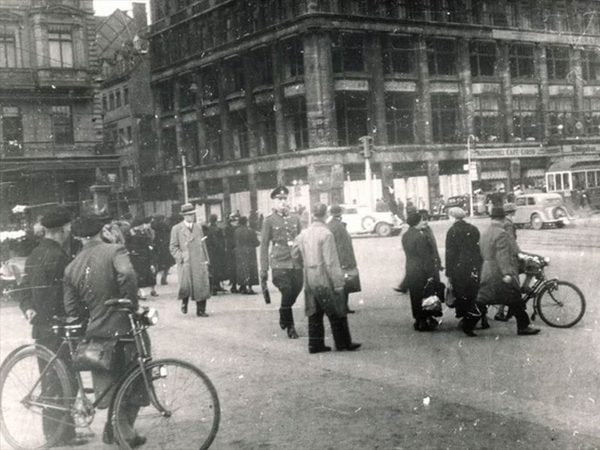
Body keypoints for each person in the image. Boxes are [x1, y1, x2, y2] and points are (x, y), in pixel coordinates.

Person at [63, 214, 148, 447]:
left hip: (97, 333)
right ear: (102, 230)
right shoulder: (115, 251)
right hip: (123, 326)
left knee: (109, 383)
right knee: (137, 375)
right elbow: (128, 275)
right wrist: (131, 304)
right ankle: (125, 430)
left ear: (78, 237)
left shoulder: (72, 266)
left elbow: (72, 308)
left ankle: (118, 430)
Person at [18, 207, 85, 446]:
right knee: (66, 380)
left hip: (42, 329)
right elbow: (66, 296)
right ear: (63, 230)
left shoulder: (34, 254)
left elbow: (23, 287)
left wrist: (28, 307)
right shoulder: (60, 258)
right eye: (68, 228)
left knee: (52, 380)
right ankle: (60, 435)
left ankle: (58, 432)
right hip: (59, 327)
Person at [293, 203, 361, 354]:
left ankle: (315, 345)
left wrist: (305, 264)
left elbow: (295, 254)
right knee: (337, 309)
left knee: (314, 311)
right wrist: (338, 282)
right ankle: (343, 342)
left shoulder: (304, 234)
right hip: (324, 277)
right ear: (325, 215)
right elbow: (331, 261)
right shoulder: (326, 234)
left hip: (309, 276)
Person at [475, 207, 540, 336]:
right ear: (503, 218)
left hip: (487, 269)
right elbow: (502, 255)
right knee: (514, 297)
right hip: (498, 271)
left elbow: (482, 252)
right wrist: (506, 273)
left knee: (484, 299)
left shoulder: (485, 232)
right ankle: (523, 327)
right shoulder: (501, 233)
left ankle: (468, 323)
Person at [260, 186, 303, 339]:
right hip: (279, 262)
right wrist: (263, 269)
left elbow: (301, 240)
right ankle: (291, 327)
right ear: (274, 201)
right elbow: (264, 245)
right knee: (287, 290)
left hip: (296, 262)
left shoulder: (295, 218)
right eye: (280, 199)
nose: (283, 202)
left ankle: (283, 311)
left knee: (298, 287)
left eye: (285, 199)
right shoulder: (269, 221)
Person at [401, 212, 443, 331]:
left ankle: (418, 319)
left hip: (410, 268)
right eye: (421, 221)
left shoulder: (406, 235)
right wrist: (430, 274)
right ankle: (424, 320)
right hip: (421, 270)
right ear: (416, 223)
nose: (423, 223)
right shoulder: (420, 237)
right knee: (426, 295)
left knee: (415, 295)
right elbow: (425, 257)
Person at [445, 207, 483, 337]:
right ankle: (476, 317)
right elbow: (478, 248)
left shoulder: (452, 231)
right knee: (473, 292)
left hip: (458, 267)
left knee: (461, 293)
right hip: (473, 265)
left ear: (452, 217)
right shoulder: (473, 229)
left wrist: (448, 273)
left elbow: (449, 253)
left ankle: (465, 318)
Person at [169, 204, 211, 317]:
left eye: (192, 214)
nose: (191, 217)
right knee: (185, 285)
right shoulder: (176, 229)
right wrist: (181, 256)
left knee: (201, 285)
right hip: (185, 262)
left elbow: (203, 244)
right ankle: (184, 302)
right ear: (183, 216)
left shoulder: (198, 227)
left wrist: (206, 259)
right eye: (188, 215)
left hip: (199, 260)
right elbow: (173, 247)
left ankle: (201, 310)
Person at [327, 205, 360, 314]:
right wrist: (345, 262)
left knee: (344, 284)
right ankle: (342, 307)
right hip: (343, 260)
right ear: (340, 213)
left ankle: (344, 306)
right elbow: (341, 246)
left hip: (341, 259)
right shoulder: (337, 226)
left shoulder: (333, 224)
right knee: (343, 284)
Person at [126, 217, 157, 299]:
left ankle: (141, 292)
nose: (141, 226)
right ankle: (141, 292)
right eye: (139, 225)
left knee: (145, 273)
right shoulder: (131, 234)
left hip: (145, 255)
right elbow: (127, 244)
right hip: (136, 256)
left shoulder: (141, 232)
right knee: (139, 274)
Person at [234, 216, 260, 294]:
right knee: (250, 269)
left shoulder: (236, 231)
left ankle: (243, 287)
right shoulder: (250, 231)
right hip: (249, 251)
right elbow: (256, 243)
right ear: (246, 222)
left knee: (241, 269)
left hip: (239, 251)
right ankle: (249, 287)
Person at [205, 214, 228, 295]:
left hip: (210, 252)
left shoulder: (207, 229)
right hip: (218, 252)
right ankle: (216, 285)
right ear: (216, 220)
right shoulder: (218, 229)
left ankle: (212, 286)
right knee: (218, 268)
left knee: (211, 268)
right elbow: (222, 241)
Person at [151, 214, 174, 285]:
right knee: (167, 263)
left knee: (157, 264)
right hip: (165, 246)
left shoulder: (152, 225)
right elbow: (169, 234)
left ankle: (154, 278)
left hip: (155, 246)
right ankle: (164, 279)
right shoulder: (164, 225)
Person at [224, 214, 239, 293]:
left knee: (234, 268)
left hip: (232, 250)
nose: (236, 222)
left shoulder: (231, 228)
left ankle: (234, 283)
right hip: (232, 250)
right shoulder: (230, 229)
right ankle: (233, 285)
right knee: (233, 268)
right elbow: (230, 240)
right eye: (235, 221)